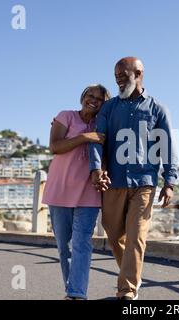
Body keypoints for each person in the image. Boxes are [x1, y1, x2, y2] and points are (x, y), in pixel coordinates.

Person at [89, 57, 178, 300]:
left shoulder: (157, 109)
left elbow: (167, 147)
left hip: (144, 182)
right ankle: (131, 274)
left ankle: (127, 290)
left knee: (137, 235)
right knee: (114, 233)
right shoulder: (109, 108)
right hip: (114, 181)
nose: (118, 80)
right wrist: (96, 168)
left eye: (123, 75)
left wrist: (169, 182)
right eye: (116, 76)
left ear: (138, 73)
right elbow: (98, 140)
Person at [42, 84, 111, 300]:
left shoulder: (103, 124)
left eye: (99, 99)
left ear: (104, 104)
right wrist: (85, 137)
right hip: (59, 190)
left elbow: (106, 154)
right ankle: (71, 290)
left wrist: (104, 172)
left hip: (88, 193)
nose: (93, 100)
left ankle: (76, 294)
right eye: (89, 95)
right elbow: (55, 146)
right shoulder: (66, 116)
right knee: (65, 248)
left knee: (82, 243)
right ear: (82, 97)